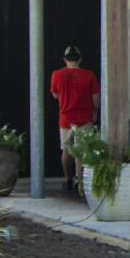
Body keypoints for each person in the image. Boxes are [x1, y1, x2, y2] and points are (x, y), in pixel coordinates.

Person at [48, 48, 99, 192]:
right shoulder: (89, 75)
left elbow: (54, 94)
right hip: (84, 117)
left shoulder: (56, 75)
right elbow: (96, 98)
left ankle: (67, 178)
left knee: (66, 149)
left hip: (65, 118)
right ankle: (79, 179)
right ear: (80, 59)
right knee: (81, 149)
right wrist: (95, 111)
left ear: (65, 59)